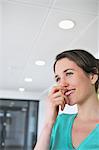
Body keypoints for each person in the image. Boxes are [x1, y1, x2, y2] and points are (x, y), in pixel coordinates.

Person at [34, 49, 99, 150]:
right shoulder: (59, 122)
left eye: (69, 74)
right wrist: (48, 123)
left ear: (92, 76)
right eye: (58, 78)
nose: (62, 84)